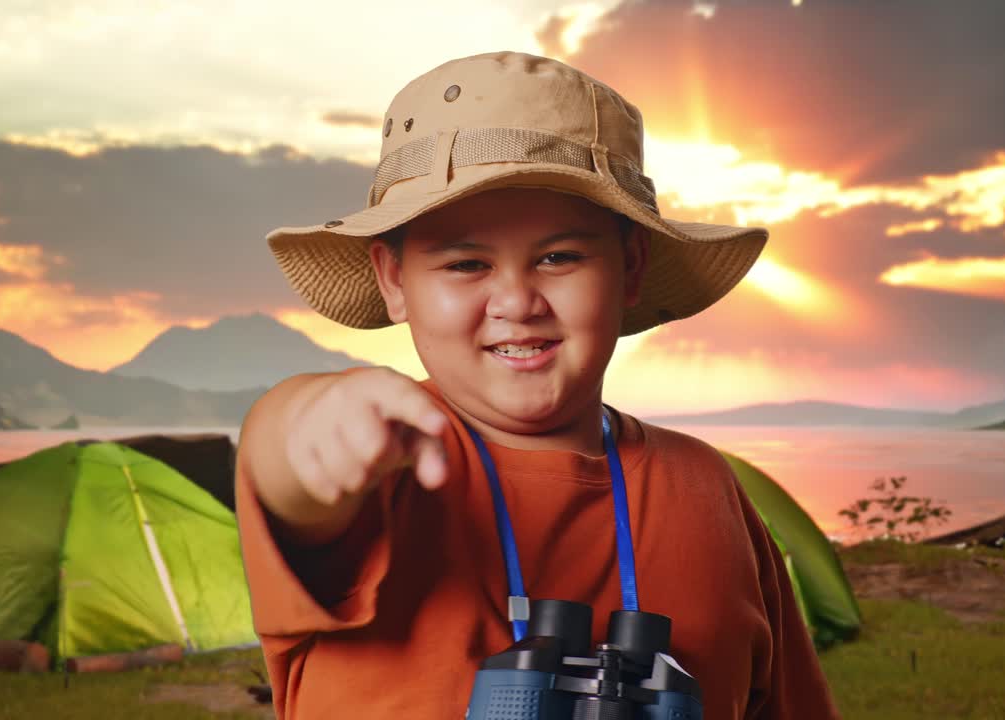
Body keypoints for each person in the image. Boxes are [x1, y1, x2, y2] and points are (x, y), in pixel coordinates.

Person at [235, 51, 841, 719]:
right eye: (466, 264)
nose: (517, 301)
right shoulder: (383, 471)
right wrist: (308, 421)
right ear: (393, 279)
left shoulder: (707, 486)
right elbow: (284, 466)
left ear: (630, 267)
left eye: (559, 257)